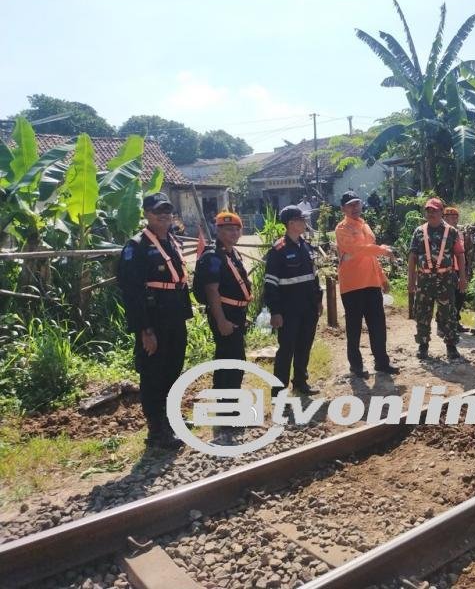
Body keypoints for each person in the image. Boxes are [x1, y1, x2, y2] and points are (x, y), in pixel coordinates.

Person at [117, 192, 192, 449]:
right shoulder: (136, 247)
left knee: (173, 369)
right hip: (154, 321)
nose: (164, 215)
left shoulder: (172, 241)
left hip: (175, 317)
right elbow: (132, 292)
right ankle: (157, 430)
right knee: (153, 374)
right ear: (147, 214)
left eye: (168, 211)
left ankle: (171, 418)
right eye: (158, 211)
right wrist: (144, 330)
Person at [194, 211, 252, 445]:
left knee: (236, 363)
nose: (233, 233)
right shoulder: (213, 257)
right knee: (228, 364)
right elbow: (212, 292)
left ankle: (232, 409)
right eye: (228, 229)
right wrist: (221, 321)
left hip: (236, 314)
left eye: (237, 229)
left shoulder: (231, 254)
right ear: (218, 231)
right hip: (224, 316)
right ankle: (226, 415)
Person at [335, 191, 400, 378]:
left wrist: (382, 278)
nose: (354, 207)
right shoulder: (342, 229)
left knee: (378, 325)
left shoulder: (365, 225)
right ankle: (356, 366)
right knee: (354, 328)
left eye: (357, 203)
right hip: (352, 285)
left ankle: (382, 362)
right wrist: (382, 250)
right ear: (343, 209)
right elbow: (355, 249)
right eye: (350, 205)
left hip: (371, 283)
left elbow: (370, 255)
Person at [262, 206, 323, 395]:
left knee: (304, 345)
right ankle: (279, 391)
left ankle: (300, 383)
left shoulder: (305, 246)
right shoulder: (278, 250)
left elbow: (314, 277)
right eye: (301, 220)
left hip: (308, 307)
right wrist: (275, 311)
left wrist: (318, 301)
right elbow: (270, 284)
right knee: (286, 350)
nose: (305, 223)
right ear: (291, 223)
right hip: (289, 310)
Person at [407, 198, 467, 360]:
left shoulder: (451, 232)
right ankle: (423, 345)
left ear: (442, 212)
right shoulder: (419, 231)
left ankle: (451, 346)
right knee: (422, 312)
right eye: (428, 210)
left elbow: (460, 256)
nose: (431, 213)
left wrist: (463, 278)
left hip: (446, 278)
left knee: (448, 313)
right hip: (424, 278)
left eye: (434, 210)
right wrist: (411, 280)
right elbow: (412, 257)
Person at [439, 206, 468, 333]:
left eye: (455, 217)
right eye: (450, 217)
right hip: (445, 269)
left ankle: (455, 321)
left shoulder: (458, 233)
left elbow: (462, 253)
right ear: (444, 218)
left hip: (458, 269)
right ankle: (441, 324)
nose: (453, 219)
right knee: (444, 297)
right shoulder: (440, 232)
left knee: (460, 295)